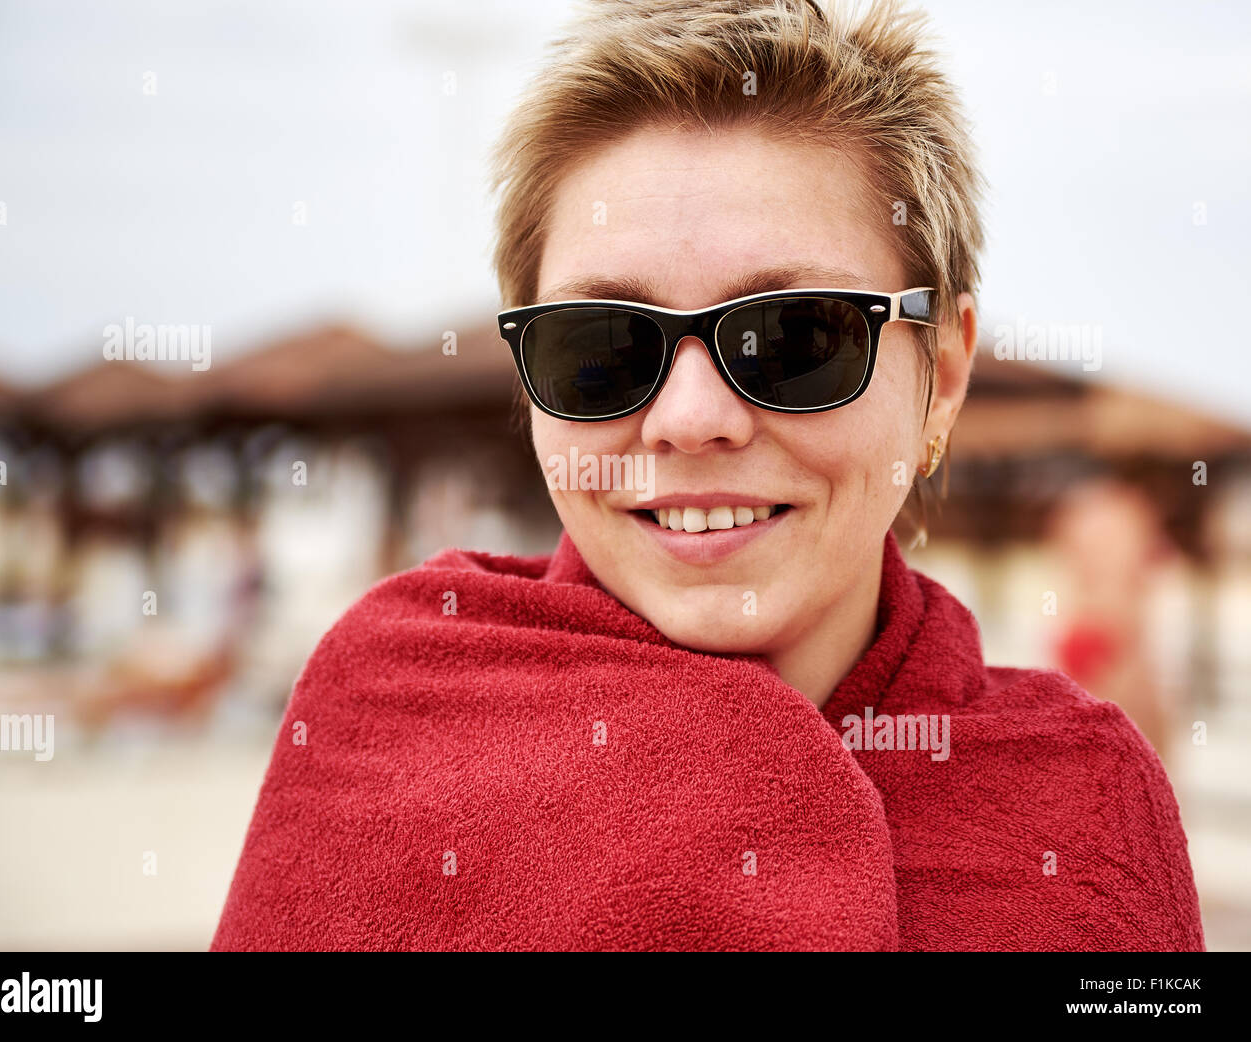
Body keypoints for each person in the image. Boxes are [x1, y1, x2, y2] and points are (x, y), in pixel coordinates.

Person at [212, 0, 1204, 952]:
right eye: (598, 347)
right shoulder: (390, 720)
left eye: (795, 337)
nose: (690, 419)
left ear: (940, 378)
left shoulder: (1081, 799)